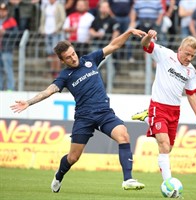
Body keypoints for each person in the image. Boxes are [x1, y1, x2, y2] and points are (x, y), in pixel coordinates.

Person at [10, 28, 146, 192]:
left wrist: (129, 31)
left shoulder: (90, 59)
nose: (73, 58)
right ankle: (59, 175)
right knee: (73, 157)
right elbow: (48, 91)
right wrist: (28, 102)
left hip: (104, 113)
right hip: (84, 118)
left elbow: (113, 46)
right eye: (68, 57)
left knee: (123, 135)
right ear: (62, 60)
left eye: (73, 53)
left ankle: (128, 179)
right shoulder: (65, 76)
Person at [131, 29, 196, 184]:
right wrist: (148, 36)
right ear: (180, 49)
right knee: (164, 145)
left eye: (192, 56)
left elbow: (191, 94)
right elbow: (145, 44)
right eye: (187, 54)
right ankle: (169, 184)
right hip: (158, 106)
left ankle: (148, 118)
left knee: (168, 149)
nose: (189, 58)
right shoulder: (165, 55)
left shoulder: (191, 72)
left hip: (174, 111)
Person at [39, 0, 66, 78]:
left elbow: (62, 19)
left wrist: (57, 29)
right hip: (47, 32)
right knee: (50, 52)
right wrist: (42, 29)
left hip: (56, 32)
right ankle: (52, 70)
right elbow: (42, 20)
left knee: (56, 52)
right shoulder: (46, 7)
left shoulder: (59, 6)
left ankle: (57, 70)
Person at [0, 2, 18, 91]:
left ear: (7, 11)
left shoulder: (11, 21)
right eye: (0, 10)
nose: (2, 12)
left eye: (4, 10)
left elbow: (16, 33)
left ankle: (11, 88)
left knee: (8, 69)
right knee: (0, 70)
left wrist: (5, 32)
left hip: (6, 48)